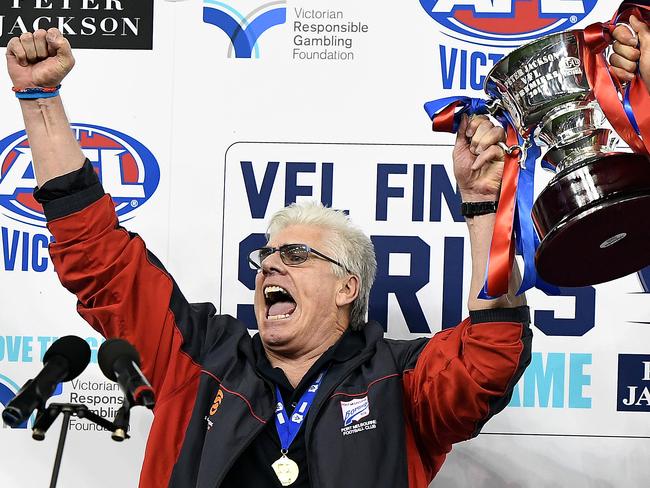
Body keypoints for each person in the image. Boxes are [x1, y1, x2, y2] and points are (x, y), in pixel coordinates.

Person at [6, 29, 531, 488]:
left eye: (297, 255)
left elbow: (487, 358)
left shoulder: (399, 380)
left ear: (348, 287)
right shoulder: (203, 359)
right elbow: (101, 262)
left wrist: (484, 203)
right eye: (267, 257)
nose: (271, 267)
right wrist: (39, 99)